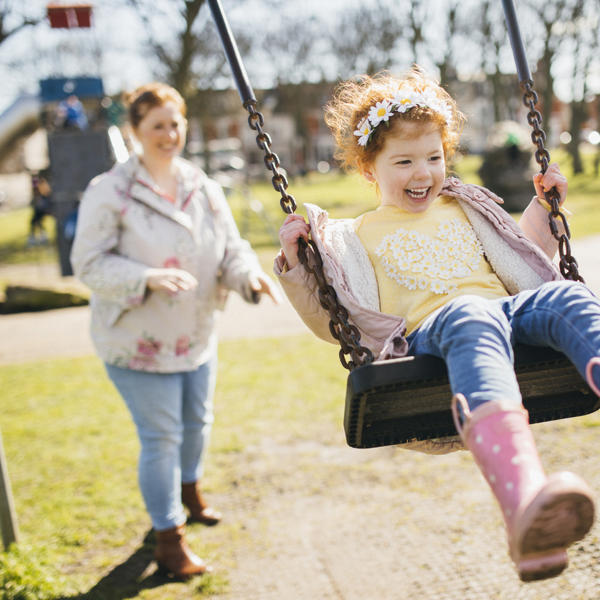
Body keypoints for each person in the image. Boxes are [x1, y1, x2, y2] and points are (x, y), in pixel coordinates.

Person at [276, 68, 600, 582]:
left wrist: (545, 206)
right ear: (369, 169)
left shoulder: (465, 207)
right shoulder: (351, 236)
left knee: (566, 296)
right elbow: (333, 321)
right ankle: (523, 498)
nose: (422, 172)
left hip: (509, 317)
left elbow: (523, 257)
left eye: (433, 157)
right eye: (403, 161)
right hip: (432, 337)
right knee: (468, 313)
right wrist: (298, 265)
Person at [71, 82, 280, 579]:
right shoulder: (110, 191)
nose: (170, 134)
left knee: (197, 423)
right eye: (157, 126)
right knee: (160, 436)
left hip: (195, 336)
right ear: (135, 131)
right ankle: (169, 541)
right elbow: (87, 263)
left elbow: (231, 247)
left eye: (176, 123)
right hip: (137, 343)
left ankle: (189, 491)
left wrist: (248, 276)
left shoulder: (201, 185)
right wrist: (145, 277)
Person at [28, 173, 52, 246]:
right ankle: (40, 237)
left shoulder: (42, 184)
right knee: (35, 221)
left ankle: (40, 237)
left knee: (36, 221)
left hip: (44, 208)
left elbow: (44, 194)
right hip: (40, 209)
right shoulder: (37, 184)